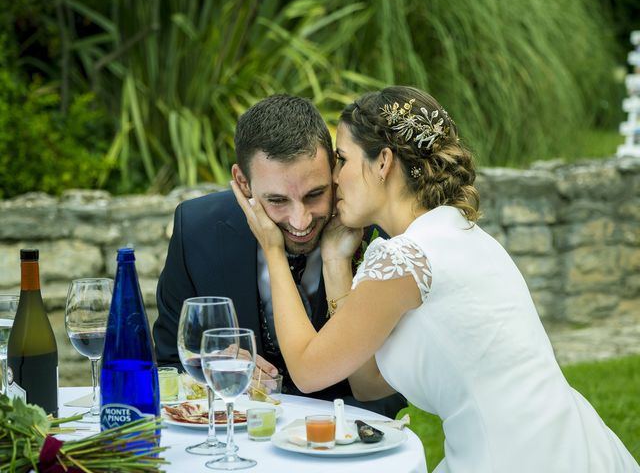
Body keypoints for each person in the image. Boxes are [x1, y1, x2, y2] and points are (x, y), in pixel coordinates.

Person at [231, 86, 640, 472]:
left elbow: (306, 370)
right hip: (565, 442)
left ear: (384, 163)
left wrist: (271, 247)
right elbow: (368, 382)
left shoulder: (405, 258)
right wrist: (337, 262)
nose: (335, 178)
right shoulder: (453, 233)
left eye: (342, 159)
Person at [153, 94, 407, 418]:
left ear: (334, 168)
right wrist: (216, 372)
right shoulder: (197, 229)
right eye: (277, 200)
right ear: (243, 183)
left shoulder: (378, 235)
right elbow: (169, 364)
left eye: (315, 194)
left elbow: (389, 388)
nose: (300, 221)